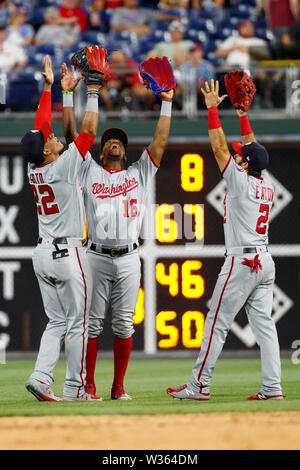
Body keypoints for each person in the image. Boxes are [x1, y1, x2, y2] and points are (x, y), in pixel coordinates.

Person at [62, 61, 174, 400]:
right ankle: (89, 384)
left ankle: (118, 386)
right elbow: (71, 138)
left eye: (119, 141)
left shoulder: (139, 173)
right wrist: (72, 95)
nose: (115, 143)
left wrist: (167, 101)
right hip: (94, 255)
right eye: (109, 140)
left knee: (124, 325)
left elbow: (160, 141)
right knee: (93, 324)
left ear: (125, 151)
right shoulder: (89, 171)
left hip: (129, 256)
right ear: (101, 149)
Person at [167, 79, 283, 402]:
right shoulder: (266, 185)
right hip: (264, 261)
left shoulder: (241, 183)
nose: (238, 158)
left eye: (241, 158)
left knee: (216, 323)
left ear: (245, 165)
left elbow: (220, 148)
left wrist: (214, 110)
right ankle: (273, 388)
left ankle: (198, 386)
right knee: (266, 328)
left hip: (241, 261)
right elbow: (254, 150)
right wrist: (243, 114)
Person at [24, 55, 103, 402]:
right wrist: (94, 90)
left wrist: (49, 88)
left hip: (42, 253)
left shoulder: (36, 168)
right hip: (67, 252)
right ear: (46, 150)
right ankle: (76, 389)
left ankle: (41, 377)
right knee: (79, 323)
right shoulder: (63, 166)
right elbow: (87, 132)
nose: (54, 135)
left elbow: (41, 129)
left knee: (57, 322)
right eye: (51, 138)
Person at [110, 0, 180, 36]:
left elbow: (159, 16)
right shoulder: (119, 11)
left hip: (141, 37)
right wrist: (132, 29)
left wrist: (175, 18)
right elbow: (114, 27)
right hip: (125, 37)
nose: (132, 1)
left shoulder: (142, 11)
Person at [177, 43, 214, 108]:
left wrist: (200, 88)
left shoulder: (207, 66)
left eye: (197, 52)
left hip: (203, 91)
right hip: (187, 91)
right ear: (190, 54)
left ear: (201, 53)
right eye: (192, 52)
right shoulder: (184, 66)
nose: (194, 54)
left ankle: (204, 110)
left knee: (209, 89)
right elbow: (181, 84)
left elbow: (211, 82)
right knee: (178, 91)